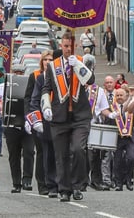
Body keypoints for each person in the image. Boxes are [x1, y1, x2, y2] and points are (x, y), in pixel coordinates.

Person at [41, 32, 95, 202]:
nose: (67, 50)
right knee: (61, 155)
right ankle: (64, 189)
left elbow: (91, 80)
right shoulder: (53, 66)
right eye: (64, 46)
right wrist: (46, 107)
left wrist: (77, 65)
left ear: (75, 46)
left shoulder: (82, 61)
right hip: (59, 117)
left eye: (70, 47)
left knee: (79, 150)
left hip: (80, 116)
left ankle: (78, 186)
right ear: (60, 46)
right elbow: (46, 89)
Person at [28, 51, 58, 197]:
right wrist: (33, 120)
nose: (47, 62)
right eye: (45, 59)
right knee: (44, 153)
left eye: (50, 59)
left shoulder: (61, 77)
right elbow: (31, 100)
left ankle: (61, 182)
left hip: (59, 118)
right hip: (43, 120)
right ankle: (45, 183)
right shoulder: (38, 77)